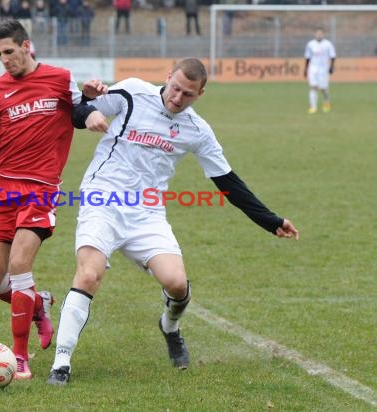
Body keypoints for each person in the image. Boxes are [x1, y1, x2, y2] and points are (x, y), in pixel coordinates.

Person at [46, 58, 300, 386]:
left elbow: (227, 181)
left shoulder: (197, 130)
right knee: (89, 273)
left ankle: (170, 326)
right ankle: (61, 362)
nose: (177, 97)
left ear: (200, 94)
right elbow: (77, 111)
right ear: (168, 77)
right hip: (103, 199)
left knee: (177, 284)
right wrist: (89, 104)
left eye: (188, 94)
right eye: (176, 87)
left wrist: (271, 221)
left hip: (147, 214)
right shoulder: (134, 92)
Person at [0, 19, 105, 380]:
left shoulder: (60, 78)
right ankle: (38, 305)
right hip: (2, 190)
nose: (5, 60)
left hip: (41, 188)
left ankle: (20, 356)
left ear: (26, 46)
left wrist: (90, 105)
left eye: (9, 52)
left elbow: (76, 114)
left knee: (19, 264)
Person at [304, 28, 336, 114]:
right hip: (313, 68)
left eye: (320, 33)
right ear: (314, 34)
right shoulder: (310, 44)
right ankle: (313, 107)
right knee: (313, 87)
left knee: (323, 88)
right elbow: (308, 57)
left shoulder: (328, 44)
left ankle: (326, 102)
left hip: (323, 68)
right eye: (317, 33)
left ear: (323, 34)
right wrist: (306, 69)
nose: (319, 35)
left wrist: (331, 67)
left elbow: (332, 56)